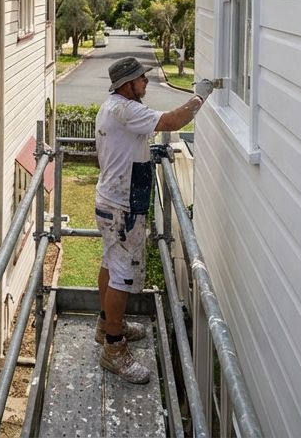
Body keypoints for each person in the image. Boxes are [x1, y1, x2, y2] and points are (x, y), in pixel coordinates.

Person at [94, 56, 213, 382]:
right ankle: (113, 349)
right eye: (141, 79)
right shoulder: (127, 110)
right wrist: (201, 96)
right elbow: (174, 121)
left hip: (110, 201)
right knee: (121, 276)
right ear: (127, 84)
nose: (146, 83)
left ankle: (106, 325)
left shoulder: (110, 107)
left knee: (110, 264)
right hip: (122, 208)